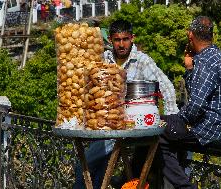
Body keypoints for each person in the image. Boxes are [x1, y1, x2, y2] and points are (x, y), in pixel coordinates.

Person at [73, 19, 179, 189]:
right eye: (117, 40)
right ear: (111, 41)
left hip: (130, 128)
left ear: (132, 38)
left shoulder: (142, 60)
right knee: (95, 170)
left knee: (83, 167)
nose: (121, 44)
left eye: (125, 39)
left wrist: (171, 119)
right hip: (106, 125)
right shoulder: (104, 59)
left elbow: (166, 86)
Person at [159, 16, 221, 189]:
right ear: (211, 36)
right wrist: (189, 69)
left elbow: (196, 105)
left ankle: (184, 186)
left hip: (206, 131)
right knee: (166, 123)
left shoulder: (205, 61)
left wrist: (178, 120)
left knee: (155, 130)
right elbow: (200, 93)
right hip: (220, 127)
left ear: (190, 35)